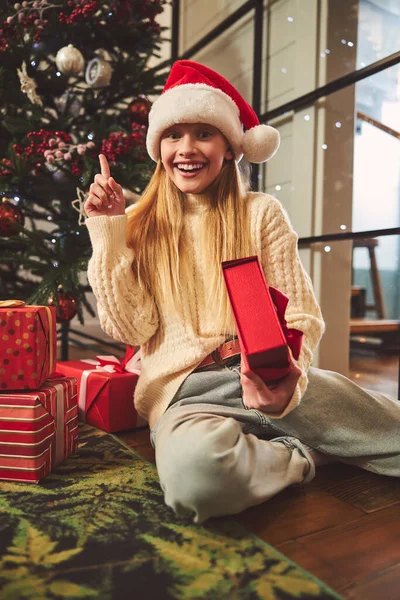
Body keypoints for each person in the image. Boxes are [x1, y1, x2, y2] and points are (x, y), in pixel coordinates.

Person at [84, 60, 400, 523]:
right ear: (158, 148)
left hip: (272, 380)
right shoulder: (136, 225)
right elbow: (131, 326)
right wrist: (108, 231)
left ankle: (284, 435)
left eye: (203, 134)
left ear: (230, 148)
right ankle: (305, 455)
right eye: (174, 135)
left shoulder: (261, 213)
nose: (186, 149)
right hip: (186, 395)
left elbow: (302, 317)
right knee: (197, 482)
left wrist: (288, 380)